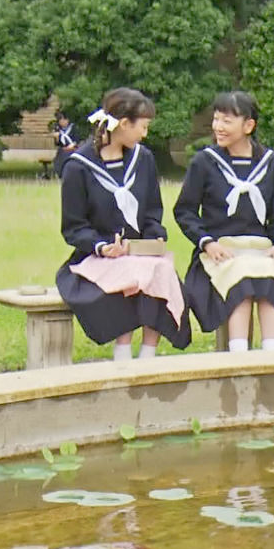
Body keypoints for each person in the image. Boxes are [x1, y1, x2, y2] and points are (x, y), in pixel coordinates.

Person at [55, 88, 191, 361]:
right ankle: (123, 354)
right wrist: (102, 246)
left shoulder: (144, 160)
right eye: (143, 127)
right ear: (125, 124)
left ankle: (148, 355)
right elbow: (74, 227)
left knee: (159, 269)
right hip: (96, 258)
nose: (145, 134)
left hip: (139, 252)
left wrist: (153, 239)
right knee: (130, 274)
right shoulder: (79, 167)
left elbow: (152, 212)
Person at [174, 91, 274, 352]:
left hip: (260, 250)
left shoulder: (271, 163)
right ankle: (238, 358)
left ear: (249, 125)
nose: (218, 126)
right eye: (216, 119)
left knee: (269, 275)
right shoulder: (204, 162)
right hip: (218, 253)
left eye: (227, 121)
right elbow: (184, 211)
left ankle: (272, 356)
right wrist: (207, 243)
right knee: (241, 280)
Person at [52, 111, 81, 179]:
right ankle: (61, 173)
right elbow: (57, 144)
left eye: (63, 120)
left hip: (72, 149)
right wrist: (57, 138)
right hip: (63, 150)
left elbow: (77, 140)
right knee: (59, 157)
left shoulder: (73, 128)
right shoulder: (58, 129)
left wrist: (71, 145)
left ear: (67, 120)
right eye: (60, 120)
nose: (62, 122)